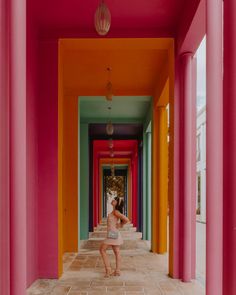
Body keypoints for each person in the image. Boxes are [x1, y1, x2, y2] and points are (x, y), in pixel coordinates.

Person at [99, 196, 129, 278]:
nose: (113, 200)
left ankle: (108, 269)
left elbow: (126, 219)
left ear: (117, 203)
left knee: (102, 249)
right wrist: (119, 225)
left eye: (115, 200)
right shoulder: (114, 211)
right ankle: (117, 271)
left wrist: (120, 224)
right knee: (117, 252)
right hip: (113, 233)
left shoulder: (116, 212)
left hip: (112, 233)